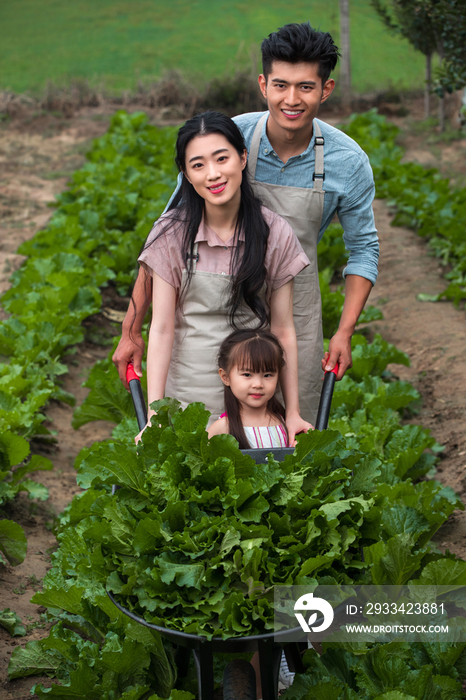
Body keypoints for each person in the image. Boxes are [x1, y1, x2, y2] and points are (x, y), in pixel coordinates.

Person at [113, 21, 379, 425]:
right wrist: (132, 329)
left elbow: (364, 251)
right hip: (209, 300)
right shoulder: (230, 138)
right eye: (280, 85)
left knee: (289, 434)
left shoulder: (348, 161)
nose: (292, 99)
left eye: (306, 87)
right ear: (263, 84)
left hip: (291, 301)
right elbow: (170, 234)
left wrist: (344, 332)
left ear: (325, 89)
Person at [137, 111, 312, 439]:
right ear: (186, 175)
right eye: (198, 165)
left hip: (253, 398)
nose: (213, 174)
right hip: (187, 391)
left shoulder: (274, 232)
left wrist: (291, 412)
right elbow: (160, 330)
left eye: (222, 158)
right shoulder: (170, 233)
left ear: (242, 158)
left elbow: (284, 329)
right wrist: (154, 415)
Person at [208, 329, 290, 448]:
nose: (258, 384)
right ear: (225, 377)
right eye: (247, 374)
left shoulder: (286, 423)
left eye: (267, 375)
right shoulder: (222, 428)